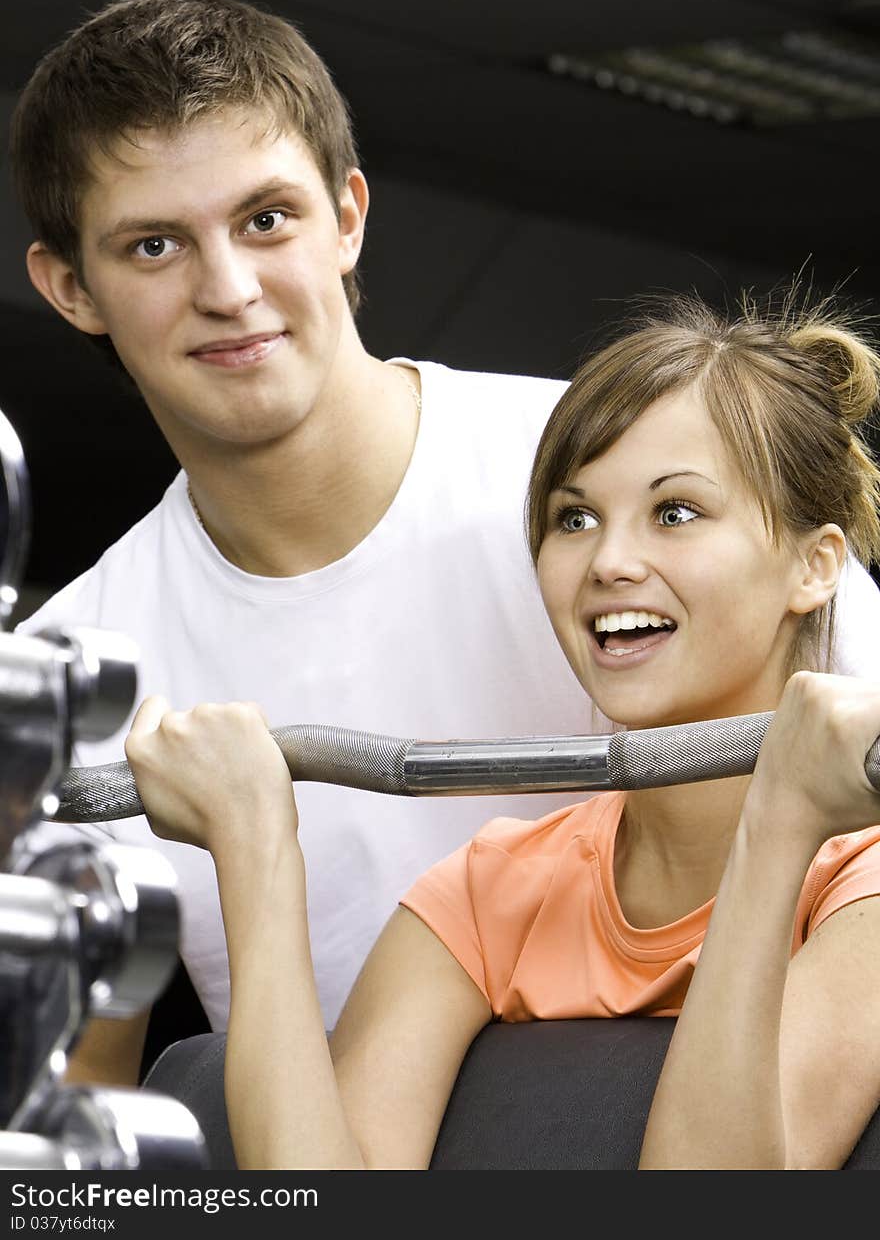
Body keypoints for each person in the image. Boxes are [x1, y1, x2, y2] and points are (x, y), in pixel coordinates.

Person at [9, 0, 880, 1096]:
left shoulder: (625, 484)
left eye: (266, 219)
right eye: (154, 245)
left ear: (349, 216)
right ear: (71, 288)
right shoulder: (66, 676)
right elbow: (76, 1119)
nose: (228, 289)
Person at [124, 291, 880, 1170]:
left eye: (675, 513)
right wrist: (252, 849)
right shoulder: (497, 890)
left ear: (815, 564)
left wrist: (781, 820)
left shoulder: (862, 883)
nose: (610, 562)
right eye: (574, 517)